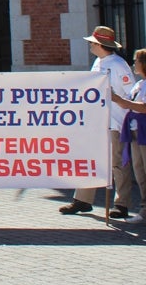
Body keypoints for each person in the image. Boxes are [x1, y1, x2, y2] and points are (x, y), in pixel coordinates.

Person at [60, 26, 134, 217]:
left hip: (115, 121)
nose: (90, 46)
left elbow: (130, 93)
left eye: (92, 43)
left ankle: (122, 203)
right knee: (90, 160)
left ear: (99, 44)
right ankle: (82, 199)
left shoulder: (119, 65)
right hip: (97, 121)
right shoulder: (97, 63)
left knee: (118, 163)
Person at [111, 48, 146, 222]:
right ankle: (144, 209)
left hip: (143, 130)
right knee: (139, 172)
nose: (134, 64)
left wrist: (119, 100)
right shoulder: (139, 84)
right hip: (134, 130)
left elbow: (143, 107)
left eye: (136, 60)